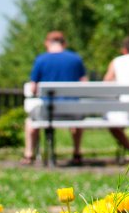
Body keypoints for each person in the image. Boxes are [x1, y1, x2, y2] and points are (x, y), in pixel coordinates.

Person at [23, 30, 87, 165]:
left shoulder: (41, 60)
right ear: (64, 43)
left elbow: (33, 88)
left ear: (47, 43)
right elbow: (84, 84)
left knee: (30, 121)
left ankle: (29, 154)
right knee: (77, 120)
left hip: (48, 111)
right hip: (73, 111)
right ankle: (76, 152)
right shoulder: (76, 59)